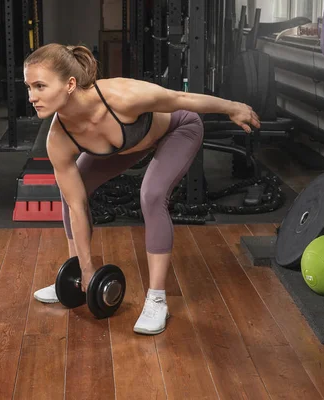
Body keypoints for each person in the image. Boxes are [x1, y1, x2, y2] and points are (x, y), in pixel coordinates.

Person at [25, 43, 260, 335]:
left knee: (151, 195)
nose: (32, 97)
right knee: (72, 193)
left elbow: (180, 98)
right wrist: (86, 271)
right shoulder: (58, 140)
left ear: (70, 84)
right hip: (128, 147)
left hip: (178, 129)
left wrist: (233, 108)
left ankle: (157, 299)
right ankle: (75, 272)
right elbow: (76, 207)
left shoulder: (122, 96)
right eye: (29, 87)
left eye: (39, 86)